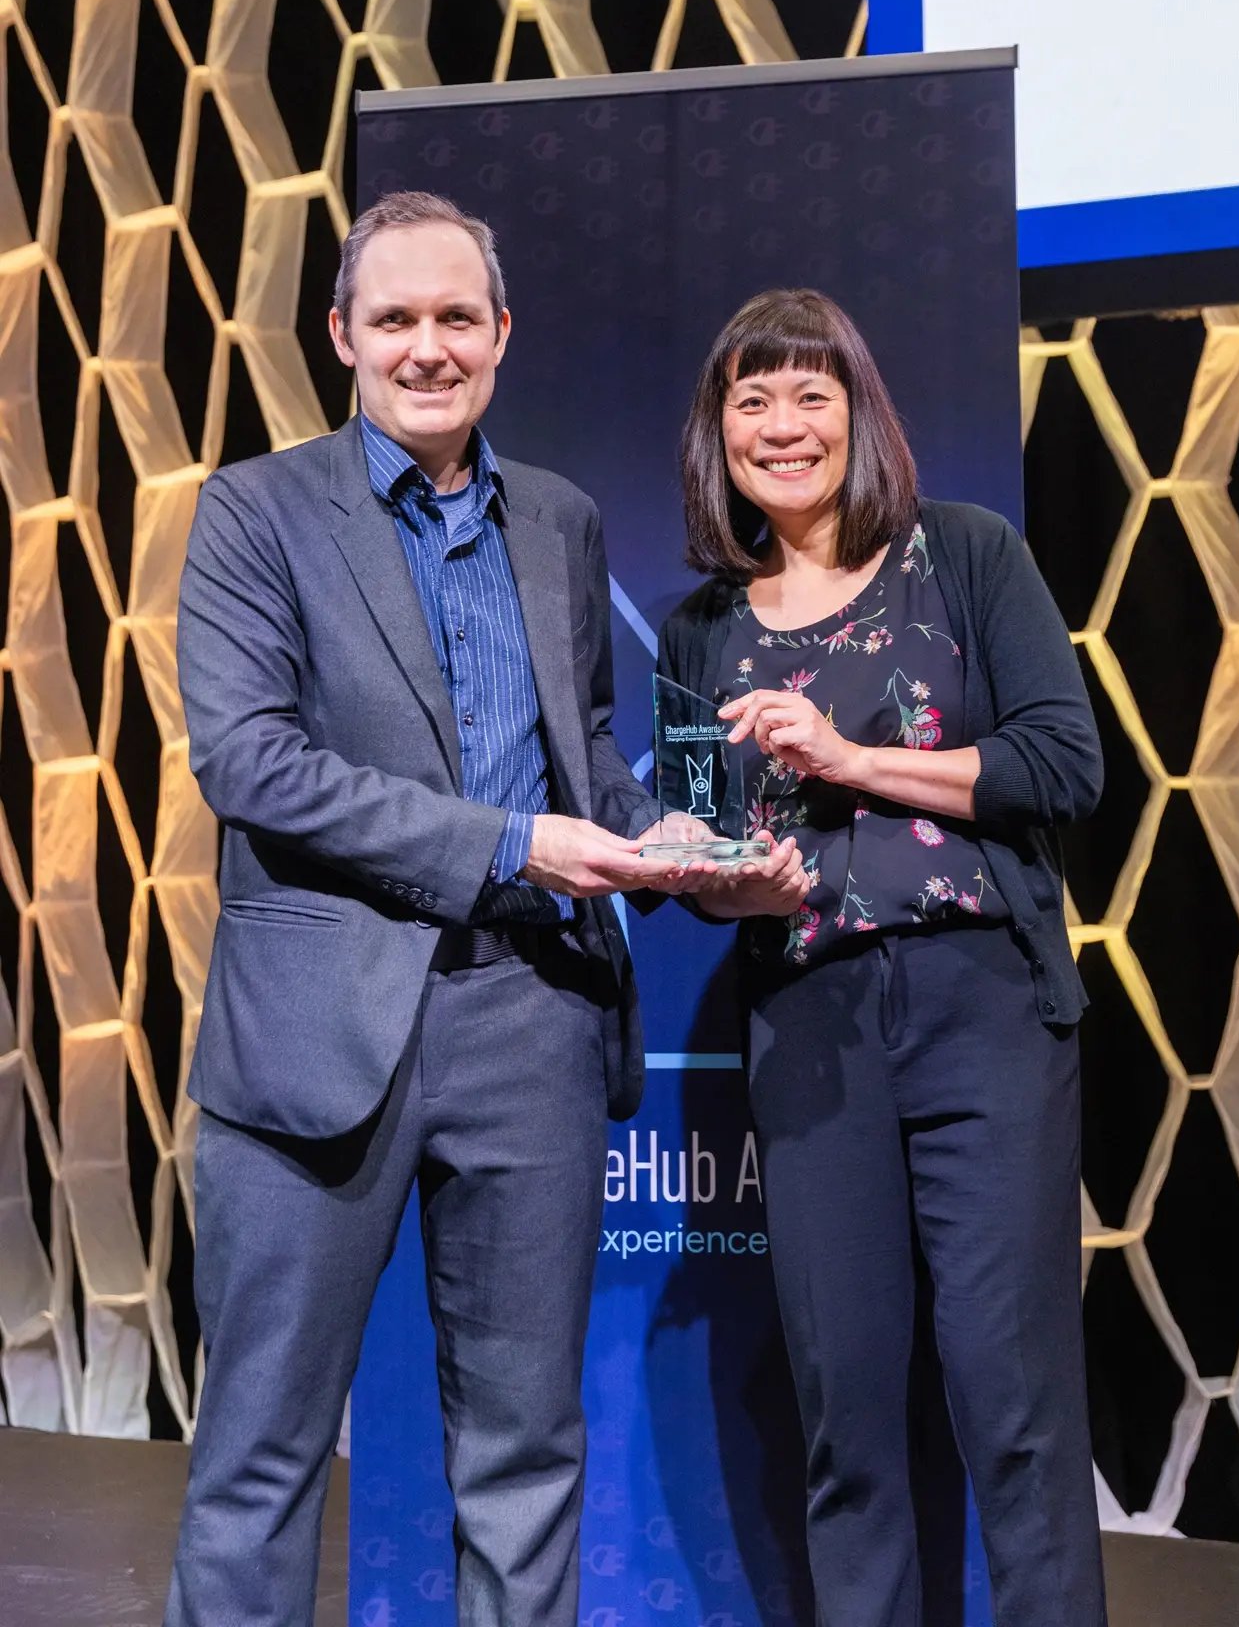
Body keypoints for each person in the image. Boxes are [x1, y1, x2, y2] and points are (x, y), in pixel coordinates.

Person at [163, 190, 804, 1627]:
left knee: (523, 1457)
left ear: (502, 335)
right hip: (318, 1039)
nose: (428, 347)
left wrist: (687, 851)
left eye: (457, 317)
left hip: (533, 1024)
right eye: (395, 319)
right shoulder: (254, 511)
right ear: (341, 334)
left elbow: (578, 751)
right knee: (261, 1456)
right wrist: (518, 845)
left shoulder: (560, 521)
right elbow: (253, 765)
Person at [656, 288, 1108, 1627]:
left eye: (811, 394)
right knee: (842, 1402)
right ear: (716, 432)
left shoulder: (960, 557)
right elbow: (699, 865)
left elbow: (1061, 764)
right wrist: (737, 883)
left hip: (986, 1016)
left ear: (857, 414)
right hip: (811, 1033)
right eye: (752, 399)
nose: (782, 425)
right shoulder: (698, 632)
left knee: (1009, 1400)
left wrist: (851, 762)